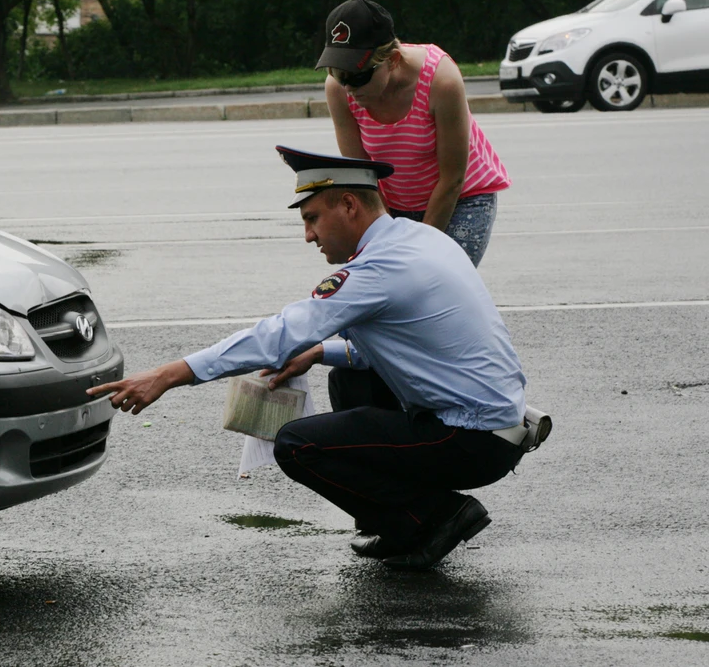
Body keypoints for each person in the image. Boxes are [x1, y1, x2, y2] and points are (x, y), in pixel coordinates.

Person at [88, 146, 542, 571]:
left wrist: (169, 375)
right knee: (346, 378)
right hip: (497, 427)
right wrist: (319, 352)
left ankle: (428, 517)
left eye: (312, 219)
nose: (308, 236)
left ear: (349, 205)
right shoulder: (417, 237)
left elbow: (277, 334)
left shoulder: (378, 270)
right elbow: (398, 348)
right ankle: (409, 511)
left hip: (470, 441)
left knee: (298, 445)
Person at [317, 0, 511, 267]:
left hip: (462, 198)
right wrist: (389, 235)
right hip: (395, 202)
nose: (348, 87)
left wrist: (419, 247)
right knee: (397, 289)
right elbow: (362, 175)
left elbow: (453, 178)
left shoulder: (441, 80)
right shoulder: (338, 89)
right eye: (339, 73)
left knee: (435, 282)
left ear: (392, 60)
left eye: (358, 76)